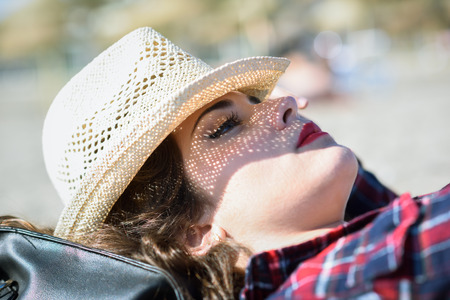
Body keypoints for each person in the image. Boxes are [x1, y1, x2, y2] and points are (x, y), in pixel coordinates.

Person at [2, 27, 449, 299]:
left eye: (256, 100)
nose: (291, 103)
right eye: (225, 127)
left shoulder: (360, 234)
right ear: (191, 232)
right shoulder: (347, 278)